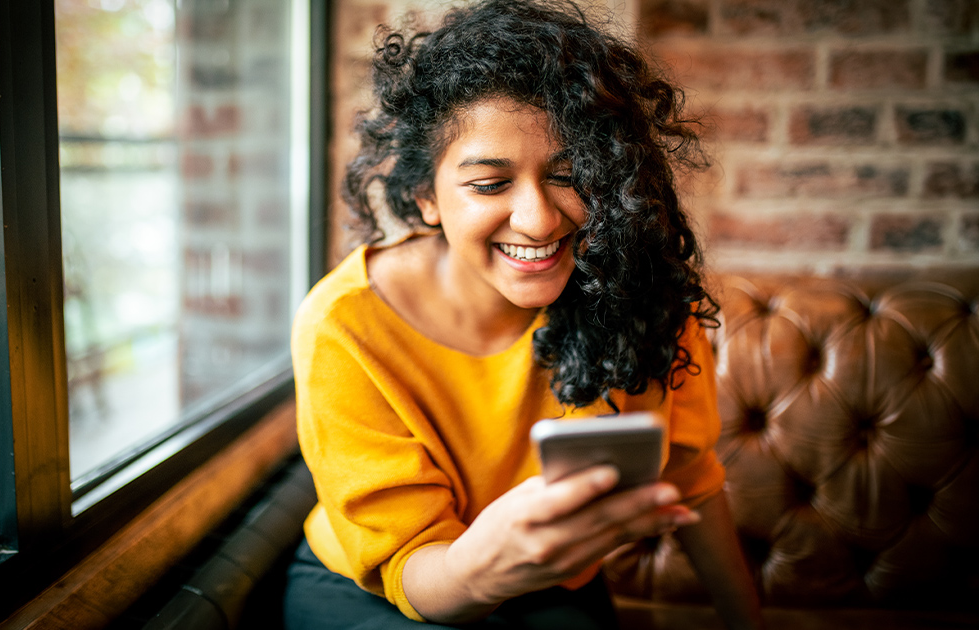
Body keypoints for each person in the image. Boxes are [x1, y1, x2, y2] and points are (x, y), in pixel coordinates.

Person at [284, 1, 763, 628]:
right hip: (378, 591)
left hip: (548, 590)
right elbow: (411, 569)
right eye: (489, 185)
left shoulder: (643, 295)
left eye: (570, 175)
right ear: (427, 195)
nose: (537, 220)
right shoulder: (344, 326)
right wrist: (483, 566)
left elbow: (691, 472)